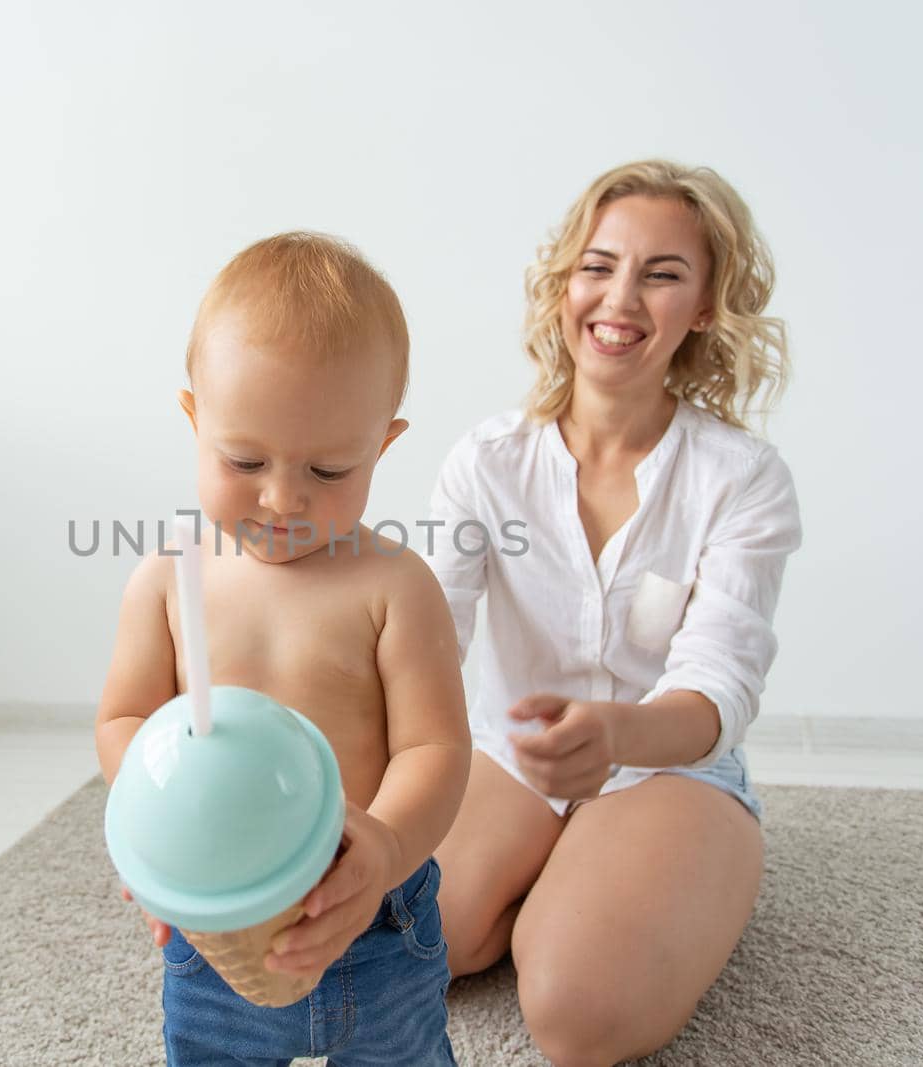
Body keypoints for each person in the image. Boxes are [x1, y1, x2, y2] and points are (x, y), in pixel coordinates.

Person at [426, 160, 802, 1067]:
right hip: (507, 757)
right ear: (566, 283)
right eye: (598, 265)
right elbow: (428, 636)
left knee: (574, 1015)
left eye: (662, 273)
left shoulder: (743, 480)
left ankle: (628, 890)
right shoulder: (486, 462)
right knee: (421, 942)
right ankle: (562, 882)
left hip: (672, 769)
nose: (619, 297)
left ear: (706, 307)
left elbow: (718, 689)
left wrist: (615, 733)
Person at [95, 232, 472, 1065]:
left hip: (373, 915)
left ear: (384, 443)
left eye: (332, 469)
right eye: (244, 458)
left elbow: (436, 747)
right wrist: (151, 826)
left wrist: (387, 846)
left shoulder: (394, 586)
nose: (282, 497)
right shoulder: (170, 579)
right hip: (215, 916)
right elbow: (125, 716)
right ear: (196, 418)